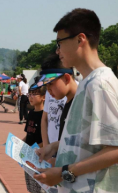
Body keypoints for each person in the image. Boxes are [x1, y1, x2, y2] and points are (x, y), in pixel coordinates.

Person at [34, 8, 118, 193]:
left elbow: (115, 149)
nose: (58, 51)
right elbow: (87, 140)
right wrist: (55, 147)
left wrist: (65, 172)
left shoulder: (100, 84)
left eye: (60, 43)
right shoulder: (87, 83)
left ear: (80, 39)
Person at [22, 82, 46, 193]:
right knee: (30, 186)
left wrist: (34, 149)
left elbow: (46, 139)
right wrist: (19, 143)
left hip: (38, 156)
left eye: (34, 94)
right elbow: (28, 134)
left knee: (40, 186)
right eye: (29, 94)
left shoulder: (45, 115)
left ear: (43, 97)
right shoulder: (31, 113)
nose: (30, 97)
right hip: (29, 156)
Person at [39, 55, 67, 149]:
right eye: (46, 85)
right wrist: (46, 145)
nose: (48, 89)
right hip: (51, 147)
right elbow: (44, 119)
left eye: (51, 84)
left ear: (66, 78)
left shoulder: (79, 94)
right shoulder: (49, 93)